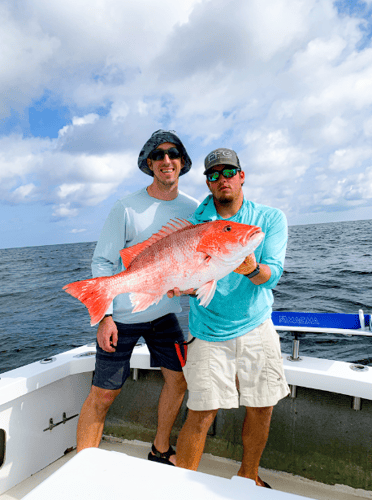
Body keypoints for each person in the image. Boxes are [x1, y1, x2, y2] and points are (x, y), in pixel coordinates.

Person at [76, 130, 199, 466]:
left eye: (173, 154)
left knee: (179, 380)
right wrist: (105, 317)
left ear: (183, 162)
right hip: (123, 316)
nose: (166, 161)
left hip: (164, 315)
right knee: (103, 392)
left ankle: (160, 448)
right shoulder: (126, 207)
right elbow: (103, 262)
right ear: (149, 164)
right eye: (158, 156)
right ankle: (82, 468)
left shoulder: (194, 209)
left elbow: (198, 259)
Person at [172, 148, 290, 487]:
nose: (221, 179)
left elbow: (274, 275)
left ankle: (248, 476)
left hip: (256, 325)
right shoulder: (197, 223)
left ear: (241, 175)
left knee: (262, 406)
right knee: (201, 411)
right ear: (208, 183)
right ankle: (179, 489)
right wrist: (181, 287)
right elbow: (193, 280)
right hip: (208, 330)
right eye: (213, 175)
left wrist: (253, 270)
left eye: (228, 172)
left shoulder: (268, 219)